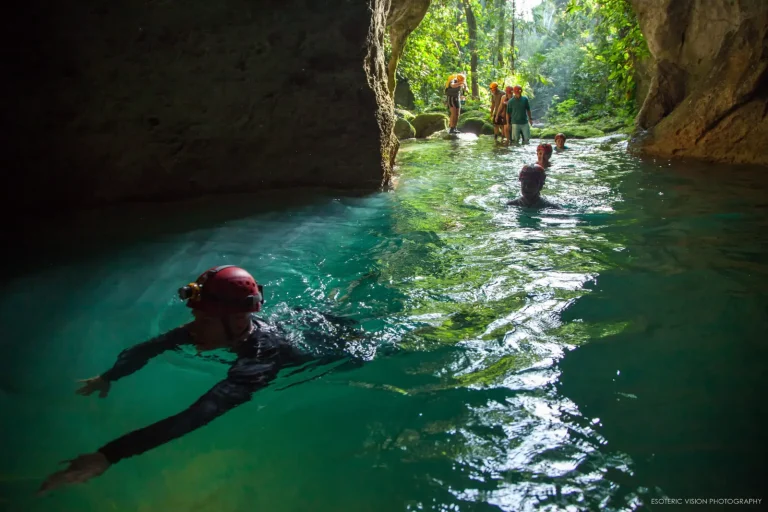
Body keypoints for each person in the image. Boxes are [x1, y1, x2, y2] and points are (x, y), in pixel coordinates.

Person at [39, 265, 356, 493]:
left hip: (336, 349)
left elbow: (197, 415)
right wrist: (109, 376)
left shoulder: (260, 360)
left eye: (203, 319)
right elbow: (150, 347)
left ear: (236, 319)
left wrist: (110, 454)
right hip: (296, 323)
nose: (194, 328)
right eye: (196, 316)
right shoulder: (215, 327)